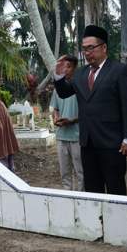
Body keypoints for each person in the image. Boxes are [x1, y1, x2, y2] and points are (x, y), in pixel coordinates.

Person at [54, 25, 127, 195]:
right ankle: (97, 222)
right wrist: (59, 76)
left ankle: (118, 220)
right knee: (92, 189)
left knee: (115, 188)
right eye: (84, 49)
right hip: (87, 142)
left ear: (104, 47)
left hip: (113, 143)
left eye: (91, 48)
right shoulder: (81, 73)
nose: (87, 53)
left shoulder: (119, 70)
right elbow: (64, 92)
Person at [50, 55, 84, 190]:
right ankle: (67, 199)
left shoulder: (80, 87)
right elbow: (55, 108)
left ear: (75, 68)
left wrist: (72, 120)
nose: (65, 69)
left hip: (77, 136)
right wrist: (56, 118)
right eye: (63, 66)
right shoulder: (57, 89)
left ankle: (82, 200)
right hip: (61, 136)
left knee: (81, 173)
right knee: (64, 173)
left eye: (68, 66)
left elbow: (88, 112)